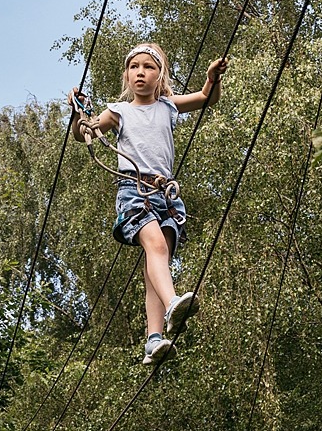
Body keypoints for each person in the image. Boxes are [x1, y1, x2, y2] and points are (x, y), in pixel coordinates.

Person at [70, 43, 227, 365]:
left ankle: (153, 338)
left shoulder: (168, 106)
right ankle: (172, 305)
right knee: (156, 247)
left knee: (158, 263)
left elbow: (205, 98)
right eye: (134, 67)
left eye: (148, 67)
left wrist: (213, 79)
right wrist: (78, 114)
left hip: (165, 193)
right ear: (127, 75)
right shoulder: (118, 111)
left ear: (160, 75)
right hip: (134, 189)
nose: (141, 72)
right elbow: (84, 134)